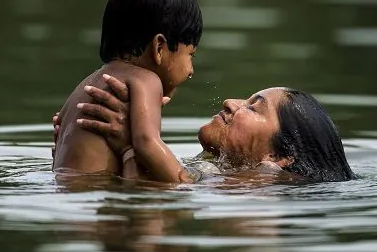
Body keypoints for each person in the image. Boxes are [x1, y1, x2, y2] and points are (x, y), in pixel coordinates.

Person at [54, 74, 355, 183]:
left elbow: (146, 206)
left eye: (253, 106)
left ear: (280, 156)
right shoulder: (223, 175)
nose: (229, 102)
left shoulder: (256, 193)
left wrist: (132, 145)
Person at [53, 0, 203, 183]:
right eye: (190, 55)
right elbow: (146, 143)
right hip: (99, 195)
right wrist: (183, 180)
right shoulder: (146, 80)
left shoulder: (86, 85)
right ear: (159, 47)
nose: (191, 70)